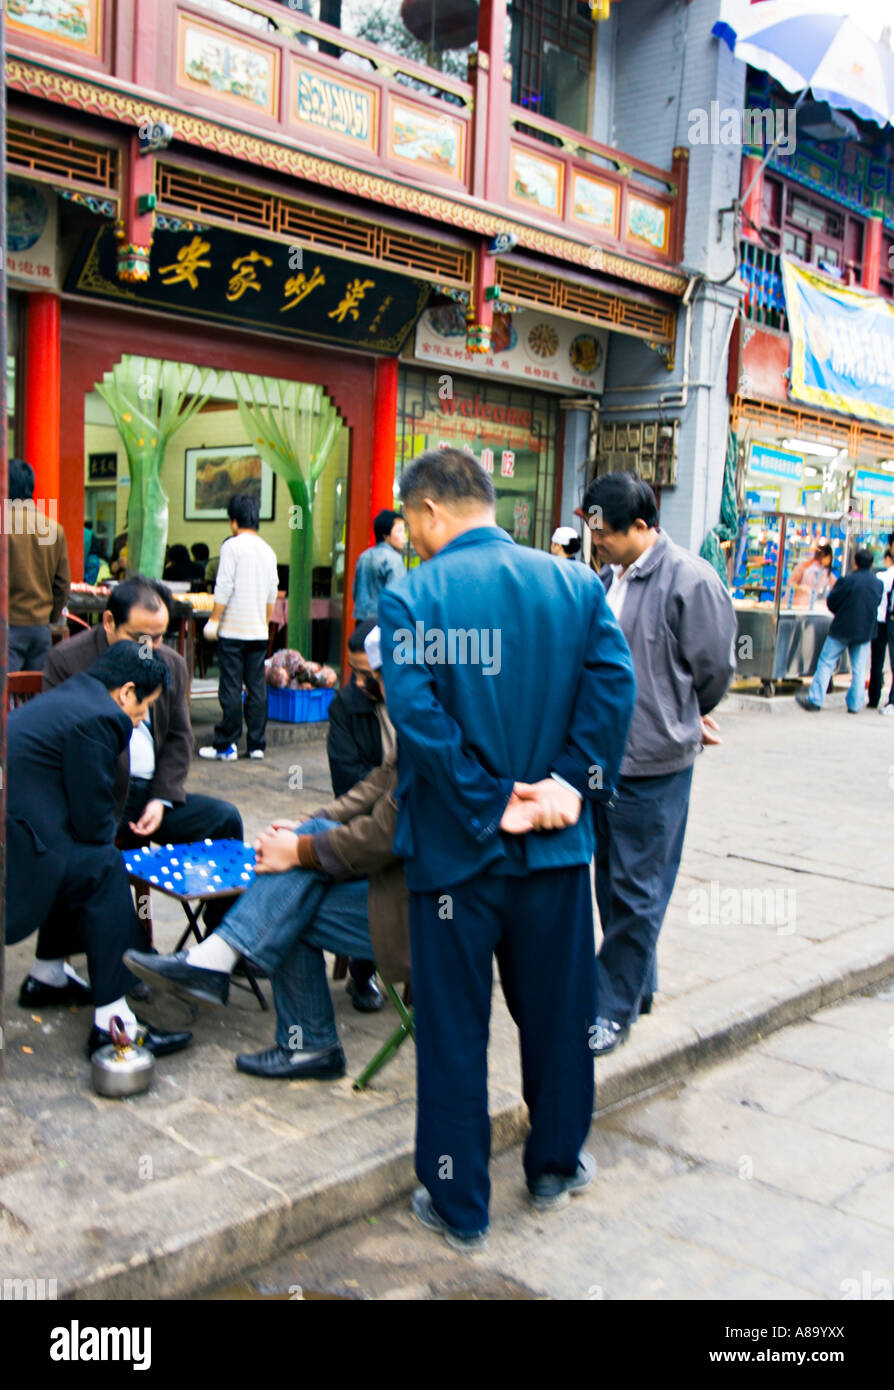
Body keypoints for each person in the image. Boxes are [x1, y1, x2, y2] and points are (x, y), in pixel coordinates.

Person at [377, 447, 636, 1250]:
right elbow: (613, 685)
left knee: (455, 1030)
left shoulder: (413, 595)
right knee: (560, 1017)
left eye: (411, 524)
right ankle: (555, 1166)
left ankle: (460, 1209)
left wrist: (491, 804)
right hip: (555, 852)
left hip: (457, 856)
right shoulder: (572, 583)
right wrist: (568, 784)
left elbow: (418, 721)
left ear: (425, 514)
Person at [122, 627, 411, 1080]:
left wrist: (302, 850)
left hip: (428, 907)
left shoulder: (440, 732)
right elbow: (376, 785)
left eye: (379, 677)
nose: (371, 686)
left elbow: (385, 834)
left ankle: (244, 985)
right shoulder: (424, 721)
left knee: (287, 905)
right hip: (399, 883)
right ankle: (289, 1026)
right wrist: (306, 828)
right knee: (286, 897)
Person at [580, 472, 737, 1056]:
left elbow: (714, 668)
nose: (598, 544)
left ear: (642, 528)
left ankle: (611, 1010)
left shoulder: (690, 581)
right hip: (604, 761)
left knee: (640, 889)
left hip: (655, 764)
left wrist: (684, 713)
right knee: (610, 884)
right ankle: (636, 986)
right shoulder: (606, 578)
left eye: (607, 536)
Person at [7, 641, 192, 1060]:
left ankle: (48, 975)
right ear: (126, 692)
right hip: (18, 849)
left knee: (79, 857)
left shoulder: (72, 694)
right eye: (145, 707)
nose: (143, 718)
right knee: (103, 866)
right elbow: (94, 823)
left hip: (21, 830)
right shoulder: (102, 717)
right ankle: (115, 1023)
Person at [42, 575, 243, 932]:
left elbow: (181, 737)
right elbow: (58, 746)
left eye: (159, 636)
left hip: (150, 794)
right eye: (138, 637)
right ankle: (122, 947)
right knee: (87, 851)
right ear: (108, 622)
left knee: (225, 820)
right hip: (96, 798)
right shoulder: (68, 661)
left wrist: (162, 798)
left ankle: (224, 942)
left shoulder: (170, 663)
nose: (148, 647)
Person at [326, 616, 395, 1011]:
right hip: (369, 812)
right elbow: (349, 781)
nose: (359, 682)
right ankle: (363, 969)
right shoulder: (347, 705)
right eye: (353, 671)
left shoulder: (418, 703)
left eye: (368, 674)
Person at [199, 494, 279, 761]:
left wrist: (214, 620)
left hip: (233, 630)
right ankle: (256, 745)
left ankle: (227, 745)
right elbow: (272, 594)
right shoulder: (268, 550)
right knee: (257, 688)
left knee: (231, 686)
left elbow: (223, 587)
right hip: (258, 631)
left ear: (233, 521)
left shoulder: (231, 547)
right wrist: (264, 624)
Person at [796, 548, 883, 714]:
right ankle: (855, 705)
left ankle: (815, 700)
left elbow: (832, 601)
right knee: (858, 668)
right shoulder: (877, 583)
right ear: (871, 564)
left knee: (827, 662)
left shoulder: (847, 580)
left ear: (855, 562)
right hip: (864, 631)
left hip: (842, 629)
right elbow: (876, 603)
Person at [7, 457, 70, 672]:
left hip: (7, 627)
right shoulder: (53, 528)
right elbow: (62, 585)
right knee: (36, 694)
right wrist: (48, 617)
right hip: (41, 629)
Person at [351, 509, 407, 623]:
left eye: (404, 531)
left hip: (361, 621)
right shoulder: (394, 559)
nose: (404, 537)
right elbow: (396, 598)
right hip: (382, 622)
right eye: (399, 531)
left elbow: (355, 591)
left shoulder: (364, 556)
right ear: (385, 535)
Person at [868, 549, 894, 710]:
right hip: (890, 620)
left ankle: (874, 697)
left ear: (887, 558)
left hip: (880, 621)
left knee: (876, 662)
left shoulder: (881, 577)